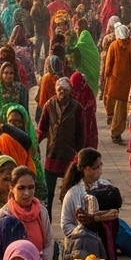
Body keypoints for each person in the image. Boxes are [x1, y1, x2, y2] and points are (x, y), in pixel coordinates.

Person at [37, 75, 87, 212]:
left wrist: (80, 155)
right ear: (55, 91)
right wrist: (35, 144)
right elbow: (42, 128)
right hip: (52, 154)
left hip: (70, 157)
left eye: (65, 90)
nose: (62, 93)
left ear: (70, 91)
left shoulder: (77, 108)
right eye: (59, 90)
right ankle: (47, 222)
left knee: (70, 194)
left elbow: (82, 134)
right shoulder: (49, 105)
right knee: (49, 193)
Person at [101, 22, 131, 145]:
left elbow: (108, 66)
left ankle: (115, 132)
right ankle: (116, 132)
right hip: (126, 84)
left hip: (115, 83)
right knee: (121, 110)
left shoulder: (114, 45)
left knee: (117, 108)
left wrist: (106, 76)